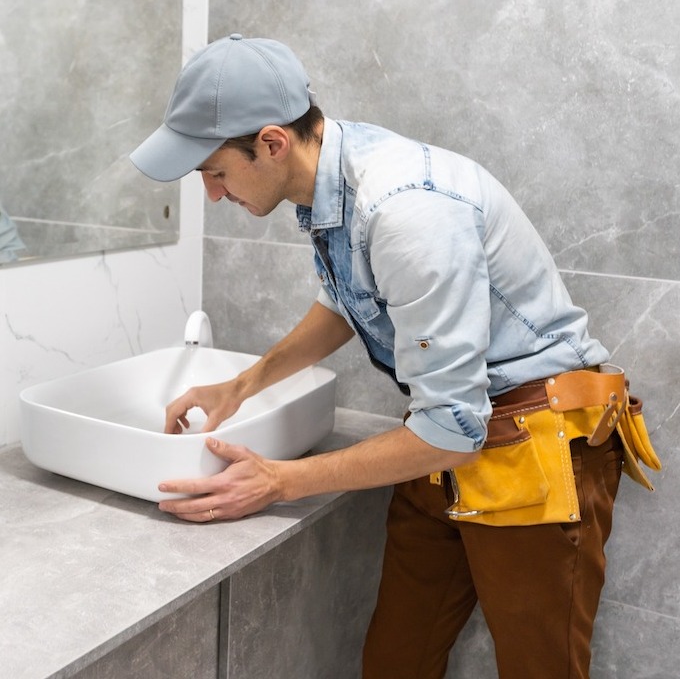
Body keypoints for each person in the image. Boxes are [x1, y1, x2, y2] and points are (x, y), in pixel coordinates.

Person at [130, 33, 660, 679]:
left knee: (541, 670)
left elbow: (451, 431)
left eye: (214, 172)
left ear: (271, 143)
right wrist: (240, 386)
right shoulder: (332, 178)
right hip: (450, 433)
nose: (213, 194)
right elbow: (345, 303)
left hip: (534, 447)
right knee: (395, 663)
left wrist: (280, 481)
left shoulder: (406, 212)